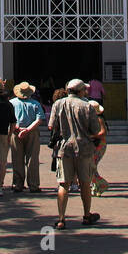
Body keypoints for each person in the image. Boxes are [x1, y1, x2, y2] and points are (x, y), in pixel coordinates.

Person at [48, 78, 102, 229]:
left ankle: (61, 219)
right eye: (84, 89)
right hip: (84, 149)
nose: (86, 91)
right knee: (85, 183)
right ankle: (86, 215)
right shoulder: (87, 106)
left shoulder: (57, 104)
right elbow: (96, 131)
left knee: (63, 184)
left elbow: (51, 126)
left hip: (64, 149)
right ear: (80, 91)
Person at [9, 82, 44, 193]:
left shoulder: (11, 103)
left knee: (17, 158)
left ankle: (17, 184)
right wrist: (28, 129)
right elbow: (39, 120)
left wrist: (18, 128)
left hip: (16, 132)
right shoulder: (35, 103)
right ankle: (33, 185)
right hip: (32, 132)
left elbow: (9, 119)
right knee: (32, 159)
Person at [90, 101, 109, 196]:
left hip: (99, 145)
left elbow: (103, 132)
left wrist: (91, 136)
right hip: (95, 144)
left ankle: (102, 183)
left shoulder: (99, 119)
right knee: (92, 166)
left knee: (91, 166)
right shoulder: (92, 119)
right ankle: (96, 188)